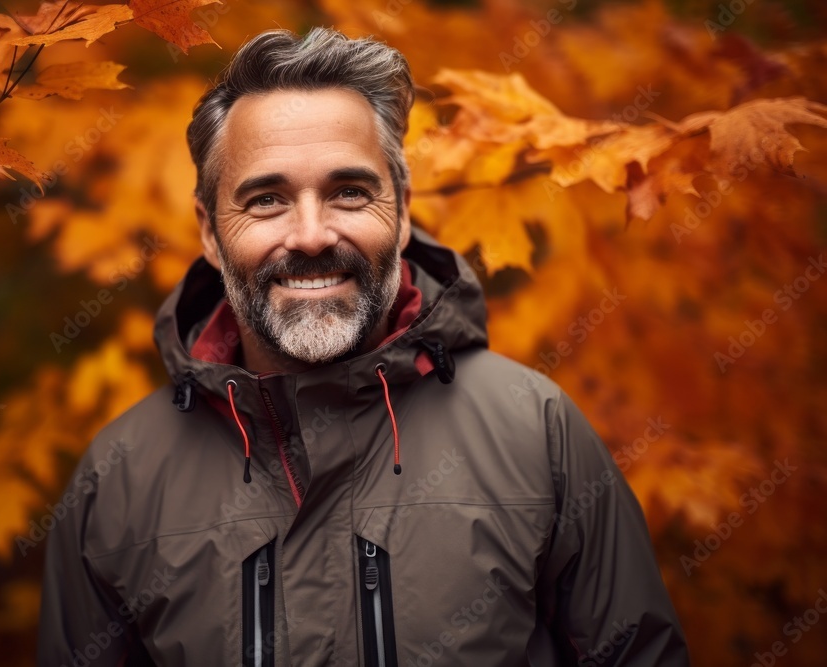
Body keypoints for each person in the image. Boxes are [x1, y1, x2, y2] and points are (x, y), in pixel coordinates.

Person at [37, 27, 690, 667]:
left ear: (402, 210)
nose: (313, 235)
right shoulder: (119, 479)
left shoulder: (537, 434)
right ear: (210, 231)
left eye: (349, 192)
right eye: (266, 200)